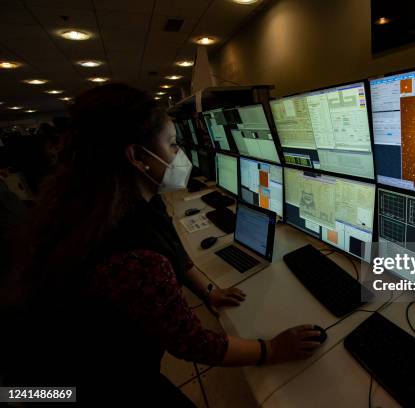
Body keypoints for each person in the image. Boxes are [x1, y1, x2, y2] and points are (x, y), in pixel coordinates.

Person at [1, 84, 321, 406]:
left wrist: (208, 292)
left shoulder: (98, 204)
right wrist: (271, 350)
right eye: (171, 144)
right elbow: (193, 342)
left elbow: (172, 247)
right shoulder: (133, 254)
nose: (179, 155)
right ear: (137, 157)